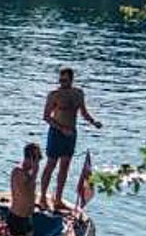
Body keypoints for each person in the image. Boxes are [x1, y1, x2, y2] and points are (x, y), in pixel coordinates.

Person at [40, 67, 102, 210]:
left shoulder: (78, 94)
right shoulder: (54, 95)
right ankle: (43, 196)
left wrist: (93, 122)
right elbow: (46, 117)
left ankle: (58, 199)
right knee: (51, 165)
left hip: (71, 134)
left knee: (65, 167)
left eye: (65, 80)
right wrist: (62, 129)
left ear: (71, 79)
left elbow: (84, 113)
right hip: (56, 133)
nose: (62, 83)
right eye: (60, 80)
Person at [9, 143, 42, 236]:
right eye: (37, 159)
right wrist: (35, 173)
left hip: (27, 216)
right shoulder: (18, 172)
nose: (38, 164)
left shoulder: (28, 173)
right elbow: (25, 190)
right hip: (18, 217)